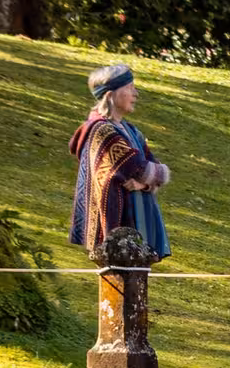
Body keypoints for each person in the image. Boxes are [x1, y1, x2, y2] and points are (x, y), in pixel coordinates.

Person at [68, 64, 171, 259]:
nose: (136, 93)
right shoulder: (102, 131)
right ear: (111, 94)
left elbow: (151, 168)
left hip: (137, 220)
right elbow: (141, 167)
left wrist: (143, 184)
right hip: (118, 225)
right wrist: (153, 176)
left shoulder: (130, 130)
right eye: (130, 87)